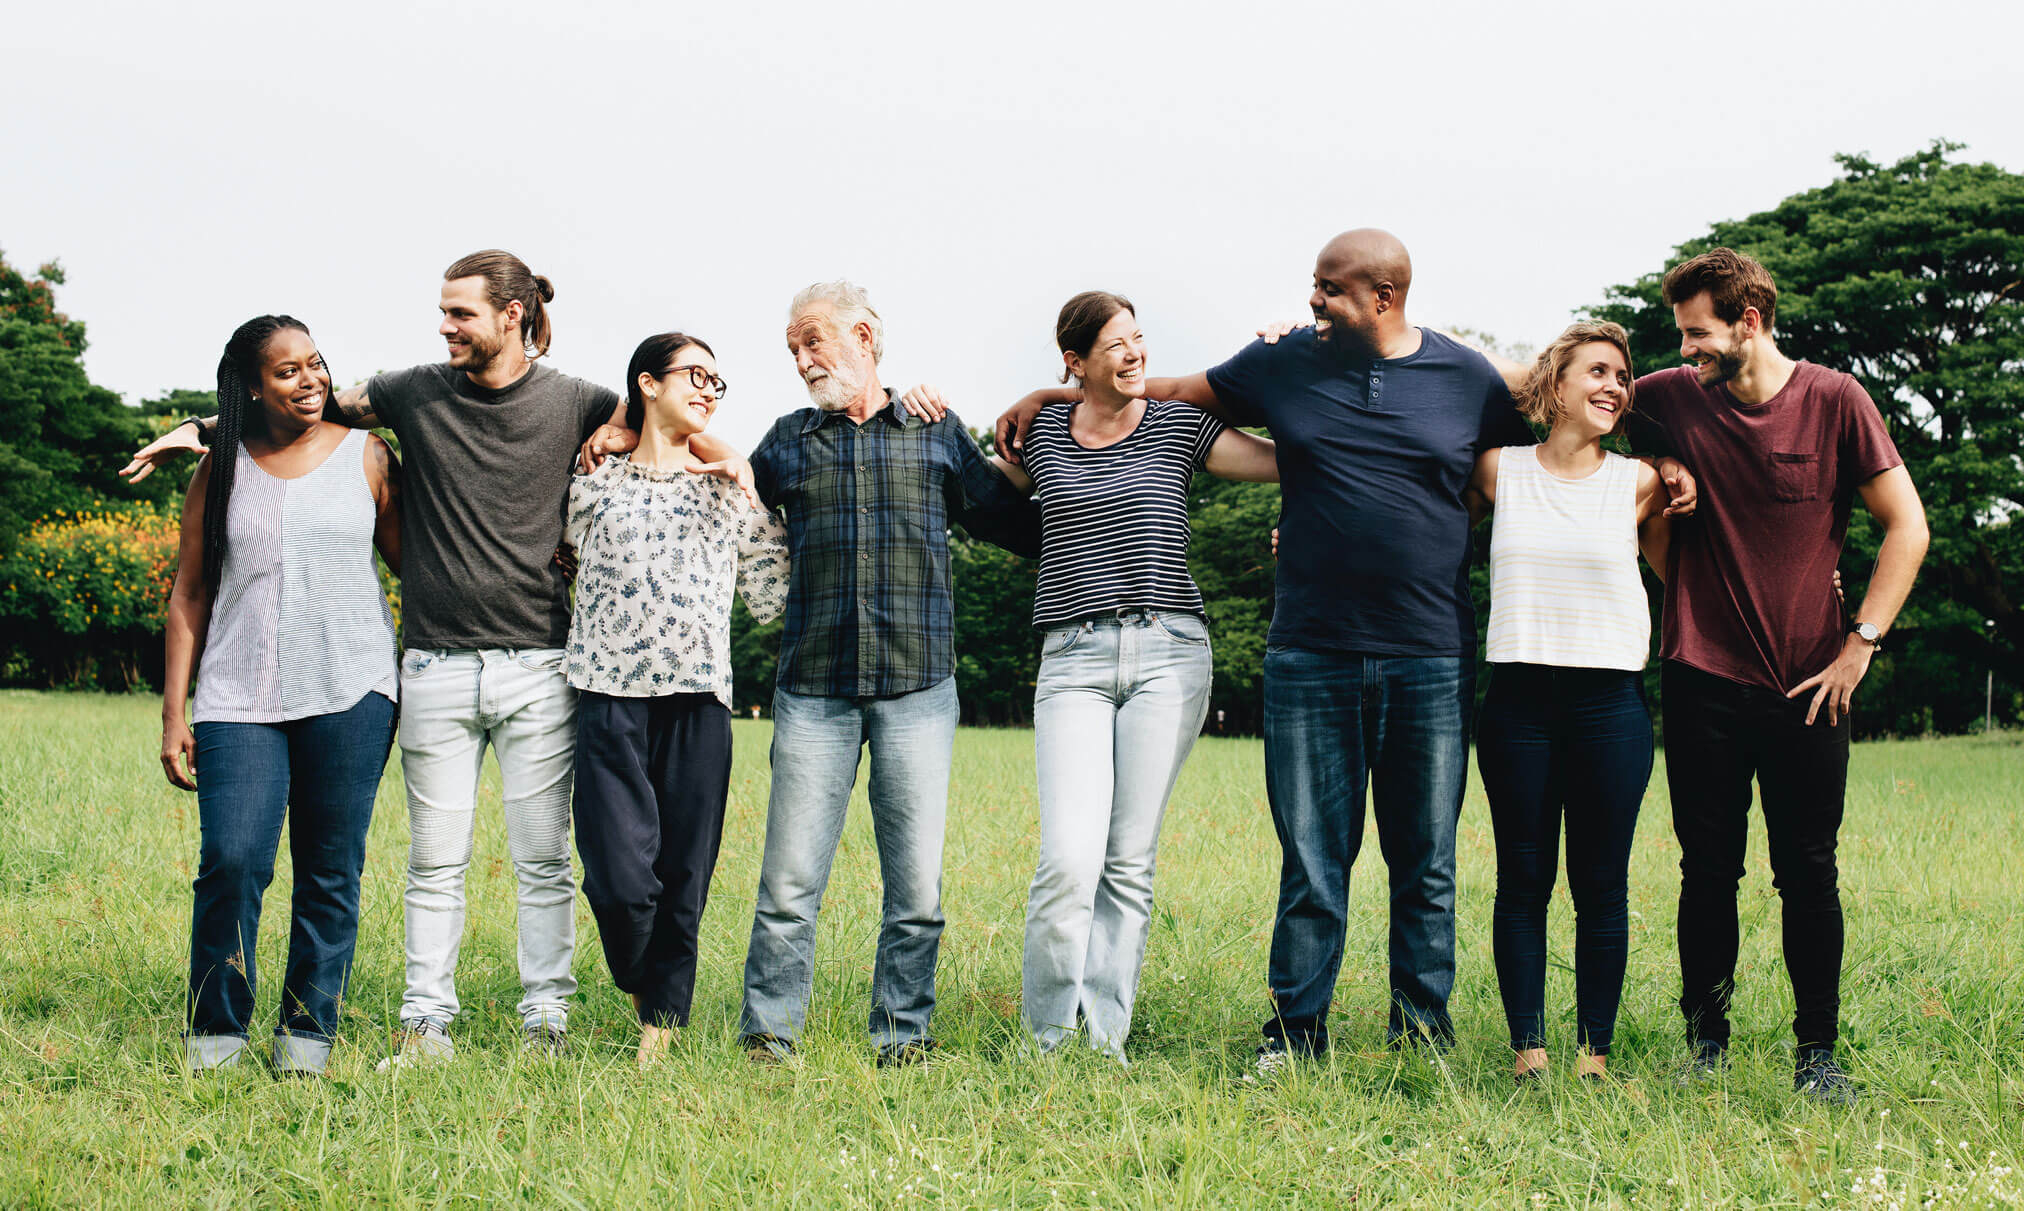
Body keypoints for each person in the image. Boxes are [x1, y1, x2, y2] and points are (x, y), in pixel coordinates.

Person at [123, 250, 751, 1067]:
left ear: (512, 316)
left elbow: (654, 423)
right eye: (443, 312)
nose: (445, 326)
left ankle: (545, 1022)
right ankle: (425, 1026)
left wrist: (663, 439)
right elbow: (301, 405)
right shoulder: (412, 391)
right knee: (433, 860)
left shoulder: (581, 401)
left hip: (539, 664)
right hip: (433, 666)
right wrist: (198, 429)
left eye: (460, 313)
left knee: (543, 859)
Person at [990, 231, 1578, 1070]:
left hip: (1431, 652)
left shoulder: (1466, 378)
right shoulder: (1285, 362)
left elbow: (1511, 467)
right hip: (1309, 651)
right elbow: (1166, 391)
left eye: (1329, 290)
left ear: (1383, 297)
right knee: (1311, 860)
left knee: (1428, 862)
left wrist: (1659, 474)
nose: (1313, 301)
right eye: (1313, 286)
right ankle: (1295, 1037)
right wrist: (1053, 389)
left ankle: (1421, 1038)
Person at [1633, 249, 1928, 1104]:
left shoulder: (1837, 400)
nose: (1685, 350)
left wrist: (1860, 643)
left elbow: (1906, 526)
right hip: (1701, 679)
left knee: (1808, 870)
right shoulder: (1666, 398)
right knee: (1706, 869)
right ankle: (1705, 1043)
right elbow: (1561, 393)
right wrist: (1663, 473)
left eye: (1697, 334)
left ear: (1749, 321)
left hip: (1811, 684)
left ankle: (1818, 1055)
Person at [730, 281, 1039, 1066]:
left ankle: (903, 1036)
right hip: (812, 689)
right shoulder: (787, 441)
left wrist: (1059, 446)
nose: (802, 362)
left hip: (918, 688)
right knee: (789, 884)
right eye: (793, 350)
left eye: (813, 343)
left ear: (865, 336)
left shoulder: (936, 433)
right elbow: (724, 506)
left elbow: (1012, 521)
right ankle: (769, 1038)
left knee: (916, 891)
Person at [980, 291, 1277, 1062]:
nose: (1135, 353)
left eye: (1140, 338)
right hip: (1072, 659)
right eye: (1117, 343)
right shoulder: (1042, 430)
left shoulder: (1179, 426)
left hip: (1169, 654)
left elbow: (1283, 460)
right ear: (1076, 361)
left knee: (1127, 858)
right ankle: (1047, 1040)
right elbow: (974, 486)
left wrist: (1294, 367)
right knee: (1068, 857)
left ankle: (1103, 1036)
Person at [160, 316, 401, 1076]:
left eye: (316, 363)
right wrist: (175, 711)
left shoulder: (368, 455)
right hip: (238, 692)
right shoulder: (222, 467)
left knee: (331, 865)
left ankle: (306, 1031)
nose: (310, 379)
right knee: (231, 856)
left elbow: (417, 568)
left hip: (352, 686)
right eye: (288, 371)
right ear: (253, 387)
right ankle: (217, 1028)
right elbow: (189, 591)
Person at [562, 333, 787, 1068]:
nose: (709, 389)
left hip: (699, 701)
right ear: (648, 383)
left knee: (684, 874)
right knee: (621, 881)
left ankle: (661, 1026)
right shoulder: (594, 482)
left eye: (718, 382)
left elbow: (772, 597)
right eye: (696, 375)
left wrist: (747, 480)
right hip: (606, 697)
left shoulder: (728, 489)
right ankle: (641, 979)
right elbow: (559, 566)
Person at [1464, 321, 1670, 1085]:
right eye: (1598, 371)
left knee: (1600, 882)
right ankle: (1528, 1048)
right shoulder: (1498, 469)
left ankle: (1593, 1053)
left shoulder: (1642, 482)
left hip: (1608, 704)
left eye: (1623, 375)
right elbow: (1459, 361)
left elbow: (1692, 577)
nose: (1616, 385)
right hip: (1517, 701)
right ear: (1553, 386)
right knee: (1523, 879)